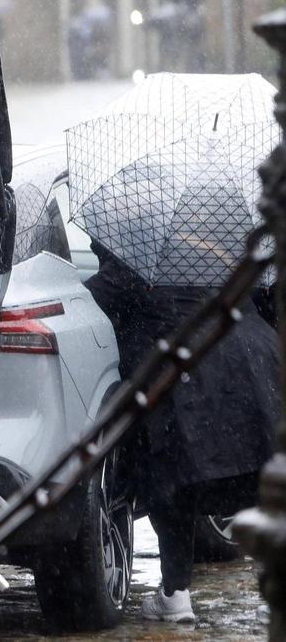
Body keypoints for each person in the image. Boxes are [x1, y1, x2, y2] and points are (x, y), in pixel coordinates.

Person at [84, 242, 279, 623]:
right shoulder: (223, 241)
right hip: (255, 365)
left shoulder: (134, 256)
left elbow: (92, 305)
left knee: (171, 482)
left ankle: (176, 593)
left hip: (187, 376)